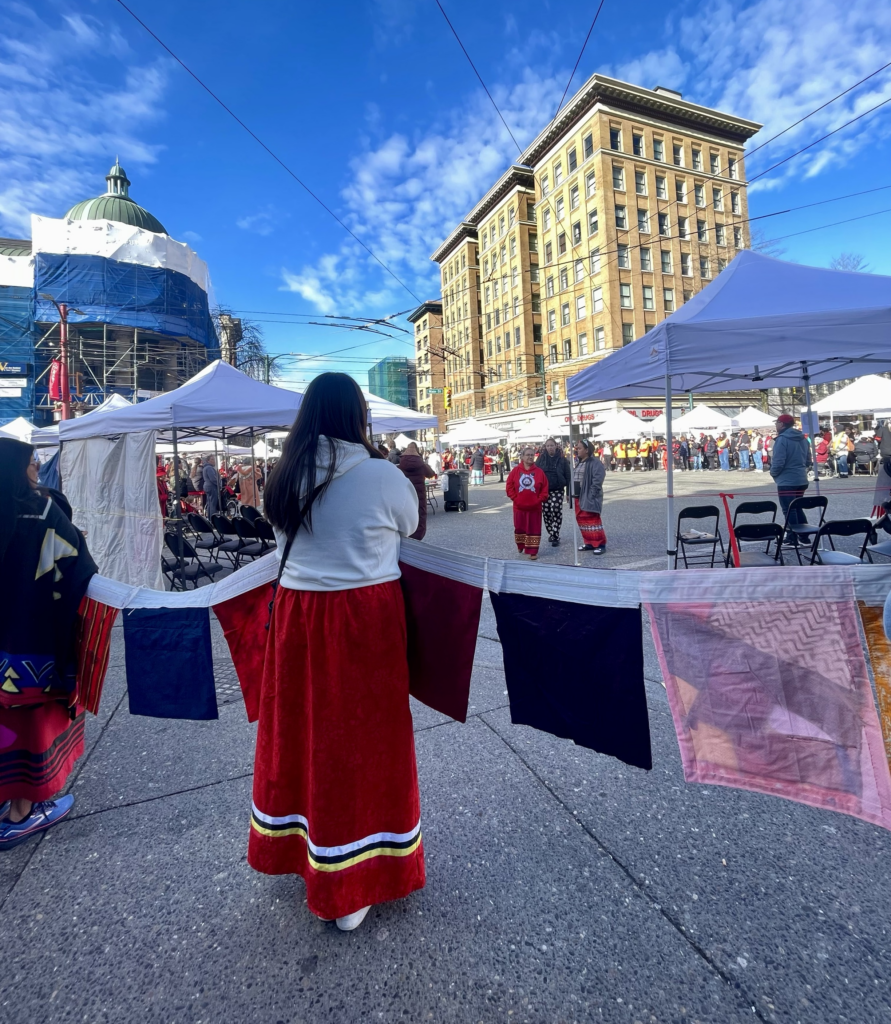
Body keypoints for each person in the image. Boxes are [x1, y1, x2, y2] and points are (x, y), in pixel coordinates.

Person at [258, 373, 423, 932]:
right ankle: (350, 881)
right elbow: (410, 524)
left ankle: (304, 850)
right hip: (361, 617)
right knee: (363, 742)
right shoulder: (380, 474)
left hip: (298, 616)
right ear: (358, 415)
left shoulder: (281, 475)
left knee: (306, 735)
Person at [0, 439, 97, 850]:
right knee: (28, 726)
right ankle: (21, 813)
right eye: (33, 462)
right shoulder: (40, 511)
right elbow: (78, 564)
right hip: (31, 645)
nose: (37, 469)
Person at [770, 414, 812, 540]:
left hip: (787, 480)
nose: (776, 425)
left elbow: (778, 461)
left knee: (789, 510)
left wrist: (773, 473)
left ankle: (792, 537)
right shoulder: (802, 438)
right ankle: (804, 536)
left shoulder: (782, 439)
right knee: (797, 507)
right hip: (801, 478)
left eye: (776, 423)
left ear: (782, 424)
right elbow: (808, 460)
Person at [505, 445, 549, 559]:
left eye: (532, 455)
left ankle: (533, 551)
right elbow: (509, 486)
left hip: (535, 508)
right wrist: (515, 498)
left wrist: (538, 500)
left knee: (534, 528)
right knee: (519, 527)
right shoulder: (515, 471)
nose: (530, 457)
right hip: (519, 507)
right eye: (527, 455)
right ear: (522, 457)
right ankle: (521, 545)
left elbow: (544, 489)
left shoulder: (539, 472)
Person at [572, 439, 607, 554]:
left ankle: (600, 544)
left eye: (580, 448)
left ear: (587, 450)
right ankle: (589, 542)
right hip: (578, 496)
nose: (577, 450)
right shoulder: (579, 461)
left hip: (588, 496)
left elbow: (598, 479)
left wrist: (591, 494)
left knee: (592, 520)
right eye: (577, 448)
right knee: (582, 520)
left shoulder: (595, 462)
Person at [535, 437, 570, 547]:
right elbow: (535, 473)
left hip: (558, 489)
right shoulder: (541, 459)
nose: (550, 447)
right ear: (545, 447)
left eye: (552, 445)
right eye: (548, 446)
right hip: (544, 490)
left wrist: (568, 492)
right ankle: (551, 532)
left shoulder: (562, 459)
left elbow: (568, 476)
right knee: (546, 513)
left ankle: (555, 535)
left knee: (556, 510)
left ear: (556, 446)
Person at [398, 442, 436, 540]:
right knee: (420, 513)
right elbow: (431, 474)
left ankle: (406, 535)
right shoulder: (422, 465)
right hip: (419, 494)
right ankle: (418, 536)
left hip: (404, 494)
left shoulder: (400, 466)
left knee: (406, 512)